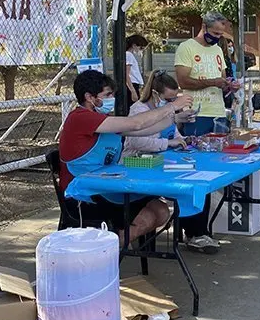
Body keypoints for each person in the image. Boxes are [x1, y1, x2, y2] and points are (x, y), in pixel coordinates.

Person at [59, 70, 192, 246]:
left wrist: (174, 118)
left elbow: (142, 130)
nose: (111, 98)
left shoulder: (102, 118)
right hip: (84, 194)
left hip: (106, 186)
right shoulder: (80, 118)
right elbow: (135, 123)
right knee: (149, 214)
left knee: (161, 211)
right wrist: (171, 106)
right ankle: (106, 250)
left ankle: (115, 244)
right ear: (89, 97)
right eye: (107, 94)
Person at [123, 71, 220, 254]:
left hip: (163, 162)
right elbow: (138, 141)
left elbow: (174, 134)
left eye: (174, 99)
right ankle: (194, 233)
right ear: (155, 94)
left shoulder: (168, 111)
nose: (172, 104)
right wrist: (168, 143)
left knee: (198, 183)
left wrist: (184, 140)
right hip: (139, 164)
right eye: (169, 100)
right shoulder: (139, 110)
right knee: (185, 187)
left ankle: (196, 233)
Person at [174, 11, 239, 136]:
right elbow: (183, 82)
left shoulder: (218, 50)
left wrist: (231, 86)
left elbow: (223, 80)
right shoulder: (186, 47)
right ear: (204, 27)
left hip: (219, 113)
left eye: (220, 34)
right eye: (215, 33)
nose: (217, 37)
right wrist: (213, 82)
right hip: (196, 113)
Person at [125, 34, 148, 108]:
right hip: (132, 85)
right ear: (134, 45)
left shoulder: (129, 55)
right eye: (140, 47)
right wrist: (133, 91)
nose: (141, 50)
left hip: (133, 85)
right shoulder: (129, 55)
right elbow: (126, 74)